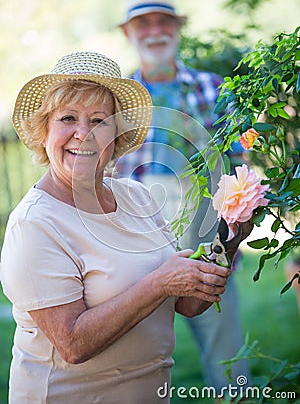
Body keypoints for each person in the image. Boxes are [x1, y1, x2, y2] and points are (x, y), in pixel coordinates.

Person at [0, 51, 249, 404]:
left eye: (99, 121)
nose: (83, 134)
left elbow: (187, 304)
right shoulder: (35, 224)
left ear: (117, 137)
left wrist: (233, 235)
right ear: (45, 132)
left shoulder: (138, 198)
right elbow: (72, 344)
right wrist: (159, 283)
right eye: (68, 118)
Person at [117, 0, 252, 393]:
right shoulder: (117, 98)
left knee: (225, 350)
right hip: (135, 233)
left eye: (163, 22)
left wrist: (230, 230)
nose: (154, 31)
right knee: (133, 355)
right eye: (144, 24)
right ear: (128, 33)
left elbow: (238, 164)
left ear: (177, 28)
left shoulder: (213, 88)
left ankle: (236, 398)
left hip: (204, 226)